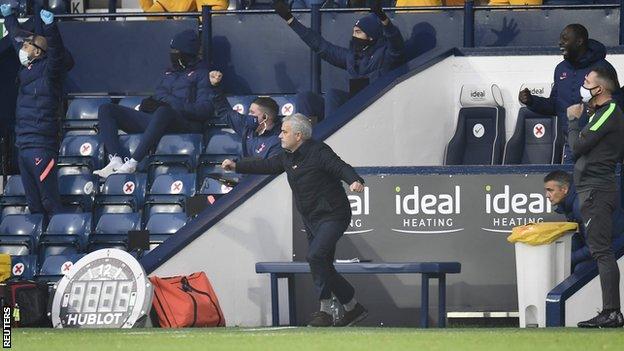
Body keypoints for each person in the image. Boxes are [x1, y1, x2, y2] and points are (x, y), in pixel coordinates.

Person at [221, 113, 367, 327]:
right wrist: (236, 166)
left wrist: (354, 181)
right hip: (310, 217)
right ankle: (353, 307)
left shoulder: (319, 151)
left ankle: (325, 311)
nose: (280, 135)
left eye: (284, 132)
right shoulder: (286, 155)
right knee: (324, 264)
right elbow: (267, 166)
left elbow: (340, 167)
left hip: (333, 214)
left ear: (298, 135)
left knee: (315, 256)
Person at [94, 30, 214, 178]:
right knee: (107, 109)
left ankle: (132, 163)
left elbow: (205, 109)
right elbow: (160, 94)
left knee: (164, 112)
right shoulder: (170, 72)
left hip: (183, 122)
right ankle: (116, 160)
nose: (173, 54)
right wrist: (151, 103)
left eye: (176, 51)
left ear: (186, 53)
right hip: (158, 120)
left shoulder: (202, 74)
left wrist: (173, 105)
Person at [272, 0, 405, 121]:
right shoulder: (351, 56)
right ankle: (305, 140)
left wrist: (384, 20)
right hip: (354, 105)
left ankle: (331, 136)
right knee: (305, 98)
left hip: (375, 104)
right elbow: (321, 46)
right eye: (353, 32)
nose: (354, 36)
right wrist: (291, 20)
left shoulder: (386, 55)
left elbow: (396, 42)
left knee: (332, 95)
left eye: (358, 32)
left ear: (371, 36)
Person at [566, 67, 624, 328]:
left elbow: (578, 146)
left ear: (599, 89)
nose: (583, 84)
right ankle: (611, 311)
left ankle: (612, 312)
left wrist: (571, 120)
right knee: (601, 250)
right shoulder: (600, 113)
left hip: (597, 190)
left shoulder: (610, 111)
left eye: (587, 81)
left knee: (602, 251)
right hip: (593, 189)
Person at [518, 24, 623, 164]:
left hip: (600, 146)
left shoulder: (603, 68)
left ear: (579, 41)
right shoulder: (560, 69)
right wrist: (532, 101)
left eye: (565, 39)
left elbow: (616, 104)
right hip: (572, 144)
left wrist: (597, 111)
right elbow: (555, 105)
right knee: (571, 184)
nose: (560, 42)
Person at [1, 5, 67, 221]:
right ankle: (41, 252)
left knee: (50, 202)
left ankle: (63, 246)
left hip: (42, 145)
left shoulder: (50, 71)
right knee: (34, 205)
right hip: (23, 145)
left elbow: (56, 52)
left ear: (38, 51)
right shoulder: (26, 69)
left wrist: (51, 27)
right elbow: (14, 38)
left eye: (28, 45)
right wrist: (9, 17)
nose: (23, 48)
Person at [543, 170, 624, 273]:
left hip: (617, 247)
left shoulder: (582, 206)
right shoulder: (570, 202)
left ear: (564, 189)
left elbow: (597, 246)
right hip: (605, 246)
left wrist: (567, 259)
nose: (547, 195)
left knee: (579, 269)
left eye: (550, 190)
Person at [208, 70, 282, 159]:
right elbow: (225, 111)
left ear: (265, 117)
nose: (248, 115)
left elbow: (271, 168)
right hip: (246, 171)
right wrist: (215, 87)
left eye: (252, 112)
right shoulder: (246, 127)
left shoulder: (280, 139)